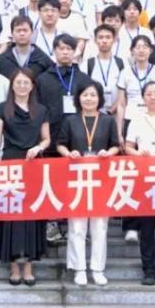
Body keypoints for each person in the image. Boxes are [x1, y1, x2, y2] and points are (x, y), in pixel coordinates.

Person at [0, 69, 51, 285]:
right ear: (12, 85)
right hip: (10, 164)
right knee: (12, 216)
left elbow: (47, 139)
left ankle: (29, 266)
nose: (22, 86)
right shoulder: (2, 108)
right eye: (18, 82)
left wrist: (38, 147)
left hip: (33, 164)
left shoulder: (41, 110)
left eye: (26, 82)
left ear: (32, 85)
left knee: (32, 215)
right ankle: (14, 266)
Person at [57, 81, 120, 287]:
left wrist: (107, 153)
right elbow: (60, 145)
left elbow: (116, 146)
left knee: (100, 226)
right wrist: (69, 153)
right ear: (78, 98)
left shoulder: (108, 120)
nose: (89, 99)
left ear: (100, 98)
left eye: (93, 95)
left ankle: (98, 269)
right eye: (85, 95)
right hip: (76, 179)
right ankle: (79, 269)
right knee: (77, 226)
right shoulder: (70, 120)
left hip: (101, 179)